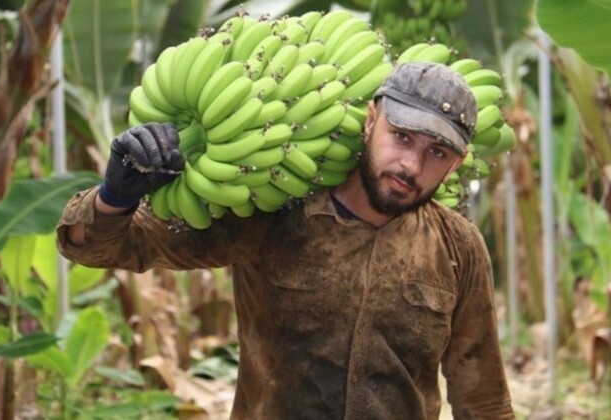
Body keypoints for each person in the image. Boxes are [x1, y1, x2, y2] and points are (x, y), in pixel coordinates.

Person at [58, 62, 514, 419]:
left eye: (436, 153)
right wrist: (115, 196)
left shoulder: (457, 248)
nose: (411, 166)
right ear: (371, 121)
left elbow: (483, 397)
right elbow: (104, 244)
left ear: (455, 165)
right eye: (402, 137)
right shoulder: (273, 209)